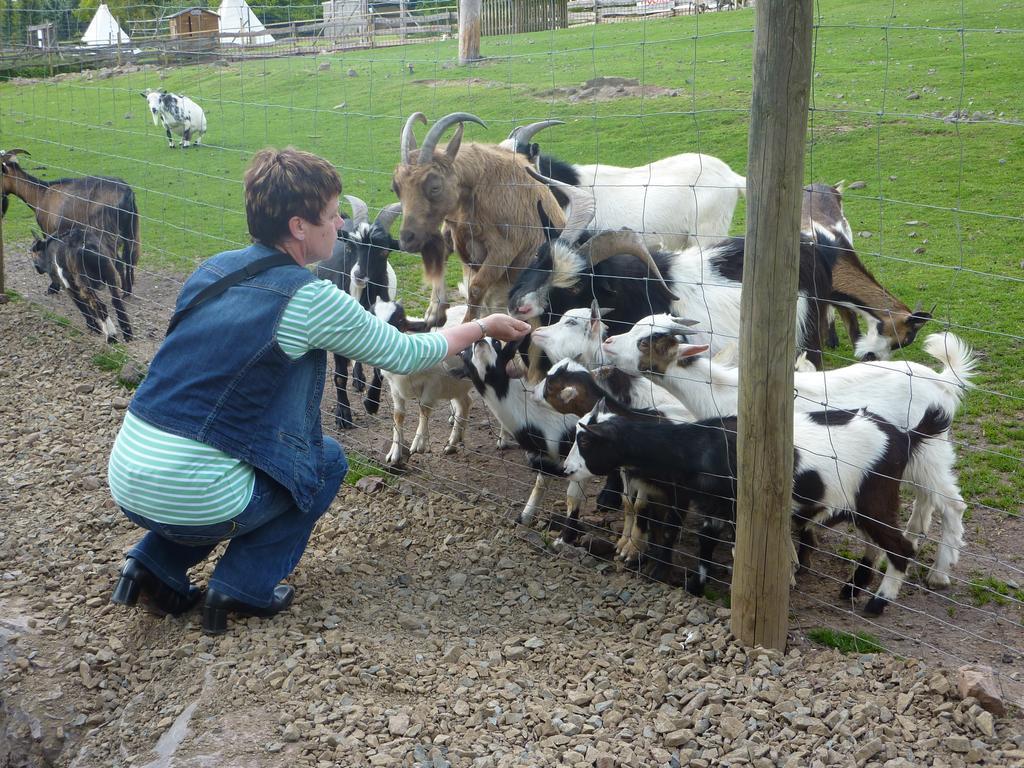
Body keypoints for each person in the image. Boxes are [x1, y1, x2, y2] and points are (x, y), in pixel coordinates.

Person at [107, 147, 531, 635]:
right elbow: (407, 354)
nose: (341, 227)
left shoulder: (212, 269)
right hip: (195, 493)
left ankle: (149, 563)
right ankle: (244, 586)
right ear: (298, 227)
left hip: (129, 469)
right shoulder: (310, 298)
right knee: (324, 461)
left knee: (218, 463)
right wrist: (483, 326)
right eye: (332, 217)